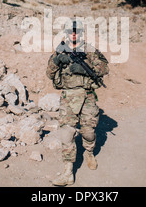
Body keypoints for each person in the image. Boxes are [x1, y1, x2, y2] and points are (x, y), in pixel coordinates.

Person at [46, 18, 109, 186]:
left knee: (88, 132)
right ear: (66, 33)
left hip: (87, 96)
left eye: (76, 31)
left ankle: (89, 152)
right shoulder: (60, 51)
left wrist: (84, 69)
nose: (73, 34)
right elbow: (49, 73)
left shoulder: (89, 50)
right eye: (70, 31)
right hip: (68, 96)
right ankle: (68, 172)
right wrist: (56, 61)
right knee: (66, 134)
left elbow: (104, 68)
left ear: (81, 33)